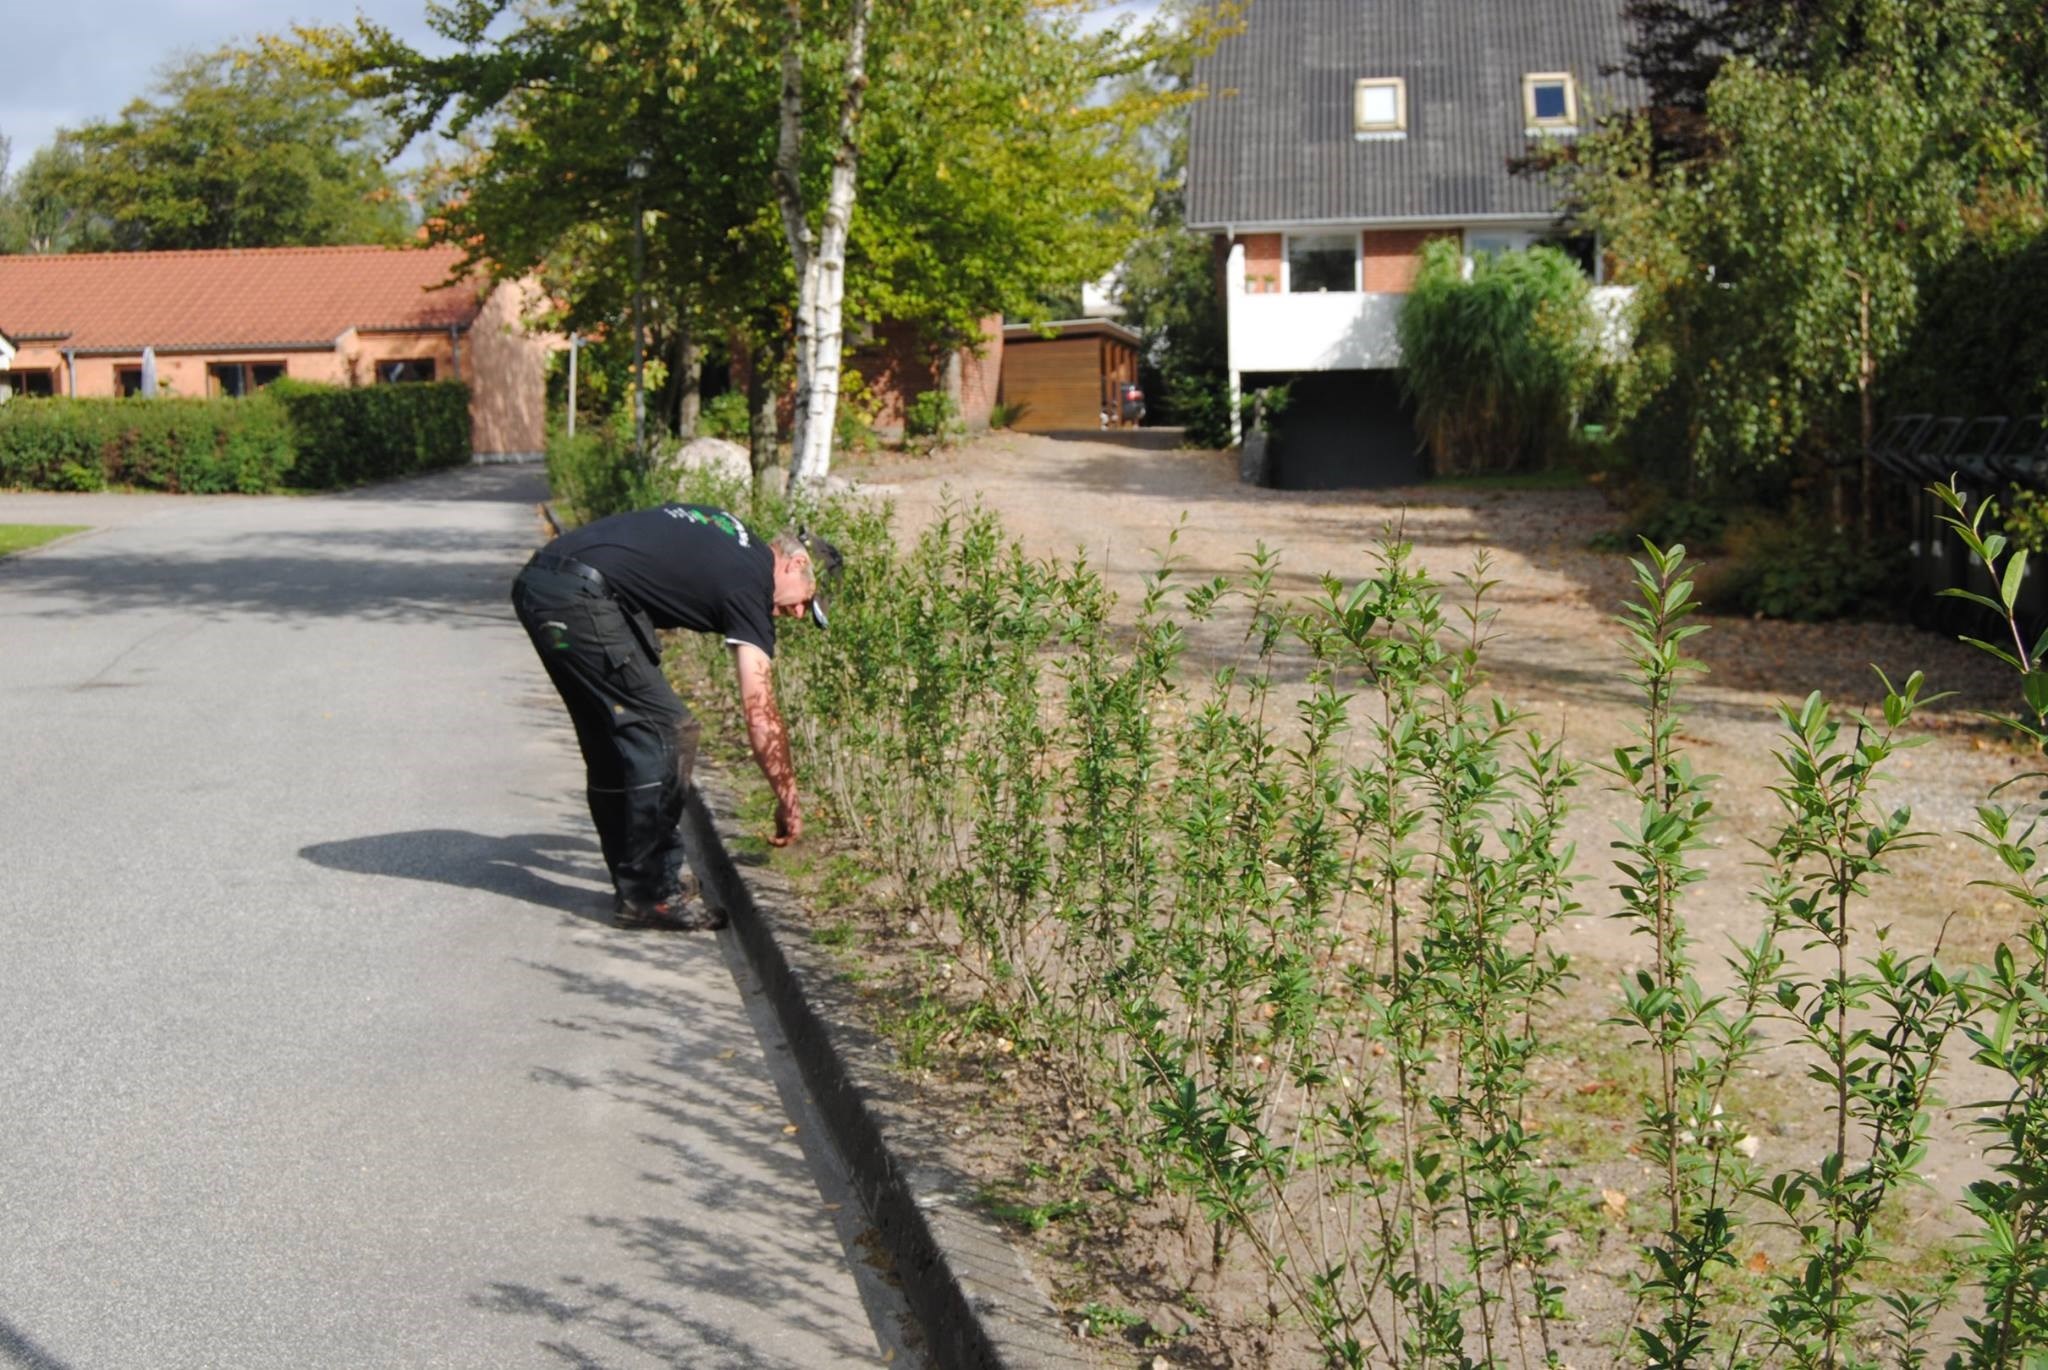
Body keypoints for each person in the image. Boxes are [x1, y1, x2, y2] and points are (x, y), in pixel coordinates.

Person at [510, 503, 842, 930]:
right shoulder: (751, 584)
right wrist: (788, 797)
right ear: (796, 563)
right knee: (668, 730)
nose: (797, 615)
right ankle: (656, 895)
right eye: (805, 603)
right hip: (578, 597)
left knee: (613, 738)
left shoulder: (731, 532)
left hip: (543, 584)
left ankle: (637, 890)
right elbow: (760, 713)